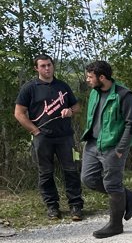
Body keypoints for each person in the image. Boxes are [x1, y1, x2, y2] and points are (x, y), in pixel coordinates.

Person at [14, 54, 85, 220]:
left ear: (53, 66)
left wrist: (70, 111)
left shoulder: (62, 86)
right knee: (45, 173)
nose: (47, 68)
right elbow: (19, 113)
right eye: (43, 66)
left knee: (71, 170)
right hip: (42, 138)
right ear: (36, 68)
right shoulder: (30, 88)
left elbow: (77, 107)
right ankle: (52, 207)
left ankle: (76, 206)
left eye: (49, 65)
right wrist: (35, 131)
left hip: (65, 137)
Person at [81, 60, 132, 239]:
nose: (87, 80)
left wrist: (121, 149)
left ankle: (115, 225)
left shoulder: (123, 94)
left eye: (90, 77)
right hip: (93, 144)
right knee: (88, 179)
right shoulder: (94, 93)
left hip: (114, 146)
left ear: (102, 77)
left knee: (112, 184)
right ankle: (129, 196)